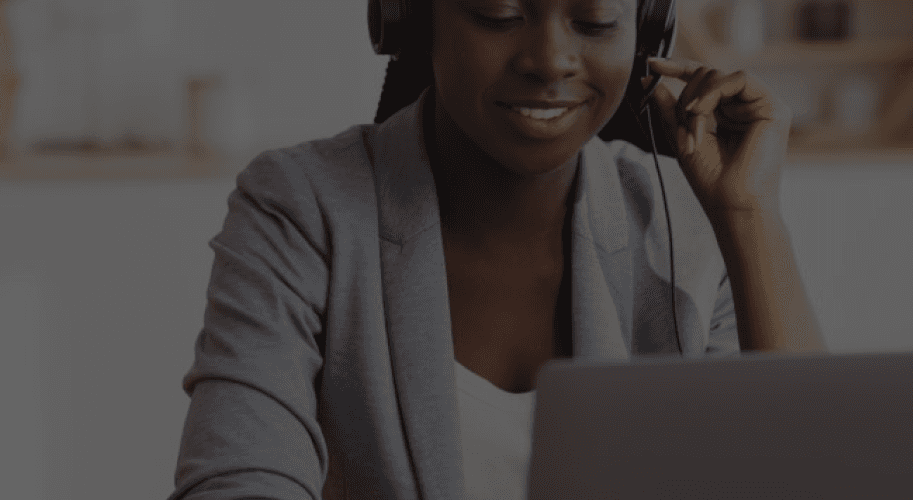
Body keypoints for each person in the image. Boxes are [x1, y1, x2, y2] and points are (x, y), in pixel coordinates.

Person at [169, 0, 823, 498]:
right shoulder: (304, 206)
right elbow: (237, 481)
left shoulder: (687, 222)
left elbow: (810, 479)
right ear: (413, 17)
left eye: (595, 20)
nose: (550, 59)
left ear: (648, 29)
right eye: (500, 14)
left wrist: (751, 215)